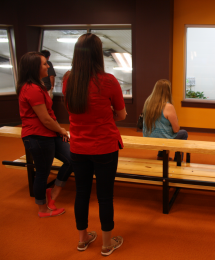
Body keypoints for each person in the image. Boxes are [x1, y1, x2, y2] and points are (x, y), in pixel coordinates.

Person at [63, 33, 126, 256]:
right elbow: (122, 115)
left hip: (78, 147)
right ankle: (107, 244)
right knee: (105, 196)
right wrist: (105, 114)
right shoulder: (108, 81)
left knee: (81, 193)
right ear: (98, 54)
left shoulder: (68, 79)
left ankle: (82, 239)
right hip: (104, 146)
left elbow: (73, 109)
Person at [16, 51, 72, 218]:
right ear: (34, 67)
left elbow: (49, 117)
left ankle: (53, 192)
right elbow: (45, 119)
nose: (48, 66)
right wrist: (61, 130)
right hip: (38, 137)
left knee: (72, 159)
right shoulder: (32, 89)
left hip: (49, 134)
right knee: (42, 172)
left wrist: (57, 131)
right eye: (44, 64)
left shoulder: (38, 86)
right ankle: (43, 209)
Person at [142, 79, 188, 161]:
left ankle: (161, 155)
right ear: (168, 91)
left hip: (148, 137)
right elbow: (176, 129)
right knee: (183, 133)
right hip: (162, 139)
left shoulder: (147, 103)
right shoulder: (168, 106)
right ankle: (178, 159)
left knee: (160, 131)